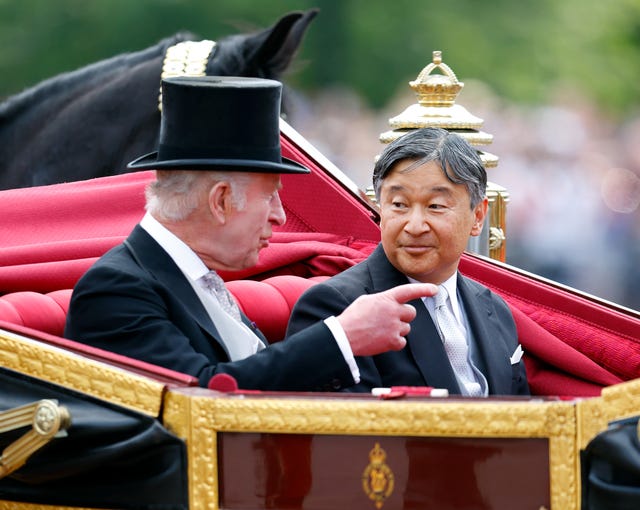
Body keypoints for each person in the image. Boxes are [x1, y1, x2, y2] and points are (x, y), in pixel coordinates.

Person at [64, 75, 438, 391]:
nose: (278, 216)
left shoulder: (190, 274)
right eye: (270, 196)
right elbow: (200, 397)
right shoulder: (115, 289)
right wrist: (342, 336)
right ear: (221, 200)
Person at [287, 127, 530, 396]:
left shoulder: (493, 307)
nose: (414, 226)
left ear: (478, 216)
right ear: (378, 208)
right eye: (399, 204)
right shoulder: (337, 306)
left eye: (435, 206)